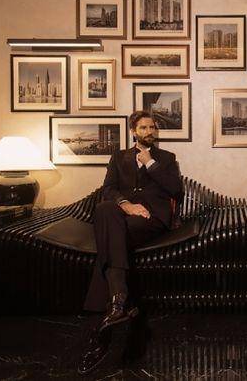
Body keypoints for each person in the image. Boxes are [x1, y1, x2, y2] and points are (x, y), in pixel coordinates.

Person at [79, 111, 183, 374]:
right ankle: (119, 303)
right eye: (144, 128)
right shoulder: (118, 157)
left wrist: (151, 164)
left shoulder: (166, 158)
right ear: (133, 131)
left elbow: (176, 190)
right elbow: (109, 189)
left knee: (108, 234)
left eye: (152, 127)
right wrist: (126, 204)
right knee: (105, 208)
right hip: (124, 215)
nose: (150, 132)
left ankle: (115, 304)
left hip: (152, 218)